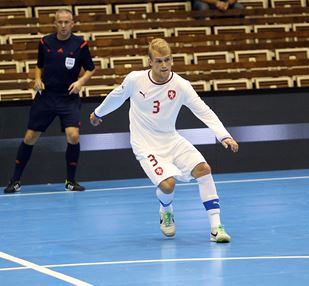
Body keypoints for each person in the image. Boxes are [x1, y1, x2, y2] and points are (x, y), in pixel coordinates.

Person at [89, 38, 239, 243]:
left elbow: (203, 111)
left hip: (171, 139)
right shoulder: (135, 80)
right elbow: (116, 97)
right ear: (149, 62)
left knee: (204, 169)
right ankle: (166, 209)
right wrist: (98, 113)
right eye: (159, 61)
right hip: (145, 144)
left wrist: (224, 135)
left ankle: (216, 228)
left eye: (167, 60)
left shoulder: (181, 85)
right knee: (168, 185)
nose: (164, 65)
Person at [3, 9, 95, 194]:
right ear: (54, 23)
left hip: (69, 98)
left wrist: (80, 82)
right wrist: (37, 79)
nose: (63, 25)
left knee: (73, 136)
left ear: (72, 24)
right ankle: (15, 180)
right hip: (46, 97)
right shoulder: (45, 42)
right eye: (60, 22)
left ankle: (71, 181)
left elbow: (90, 69)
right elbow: (39, 66)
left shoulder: (80, 44)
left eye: (66, 22)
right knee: (30, 138)